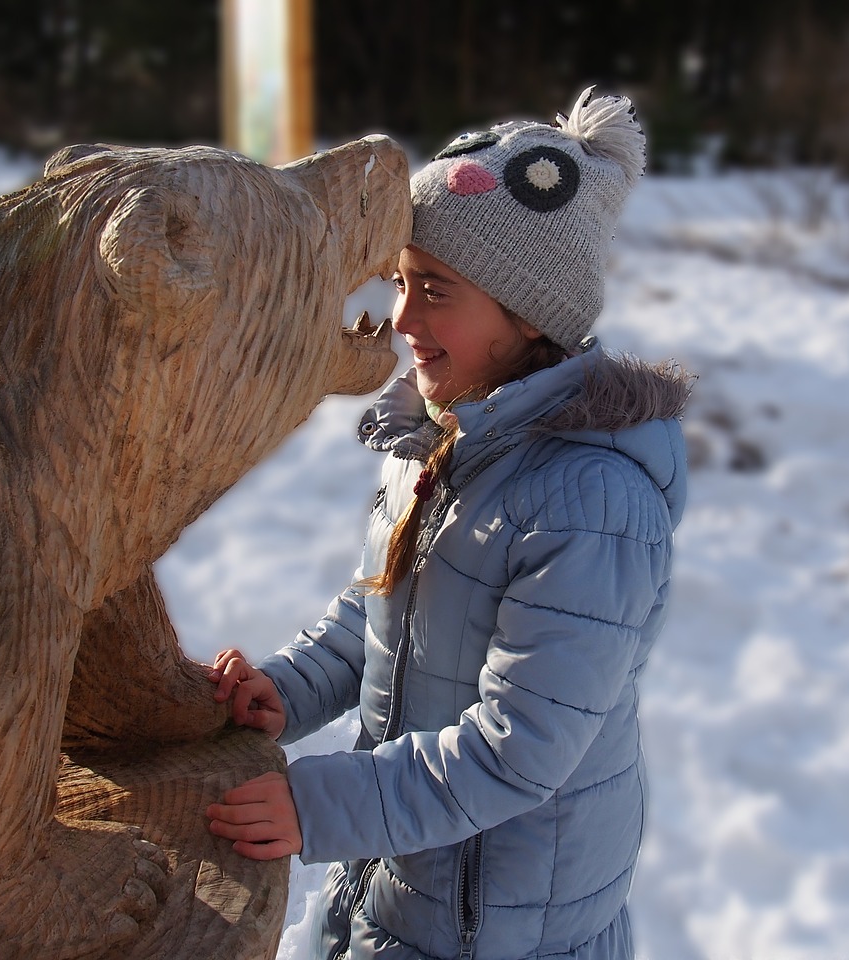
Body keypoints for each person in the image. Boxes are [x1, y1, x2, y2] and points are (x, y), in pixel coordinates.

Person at [206, 87, 690, 960]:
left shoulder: (592, 506)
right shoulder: (433, 443)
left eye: (435, 290)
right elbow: (371, 621)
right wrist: (286, 690)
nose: (402, 320)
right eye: (399, 282)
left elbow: (517, 750)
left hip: (504, 935)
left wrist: (316, 807)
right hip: (392, 894)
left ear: (531, 312)